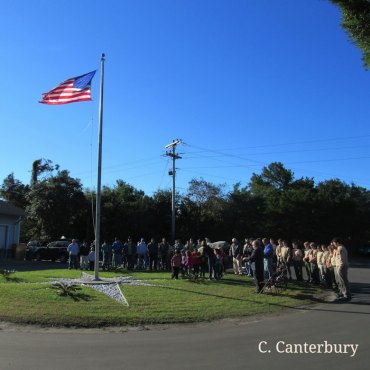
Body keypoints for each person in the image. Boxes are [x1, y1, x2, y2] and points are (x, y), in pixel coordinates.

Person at [332, 238, 351, 302]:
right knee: (340, 281)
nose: (333, 244)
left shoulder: (341, 248)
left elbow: (341, 259)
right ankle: (343, 293)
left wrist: (340, 267)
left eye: (334, 243)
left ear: (337, 243)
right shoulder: (338, 248)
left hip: (342, 266)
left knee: (343, 281)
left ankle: (347, 295)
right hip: (339, 266)